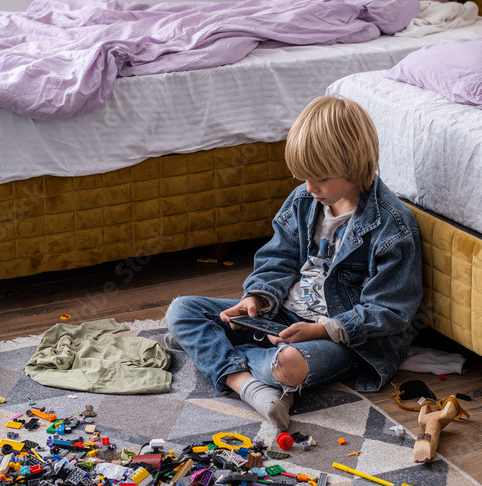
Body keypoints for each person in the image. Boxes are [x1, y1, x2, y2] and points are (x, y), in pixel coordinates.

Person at [165, 95, 423, 431]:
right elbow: (279, 256)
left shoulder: (392, 226)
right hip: (282, 316)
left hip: (341, 339)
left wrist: (319, 330)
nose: (310, 187)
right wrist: (256, 299)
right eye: (304, 177)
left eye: (321, 179)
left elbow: (389, 309)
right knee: (181, 311)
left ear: (356, 165)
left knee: (288, 364)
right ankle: (250, 386)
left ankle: (214, 352)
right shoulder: (305, 199)